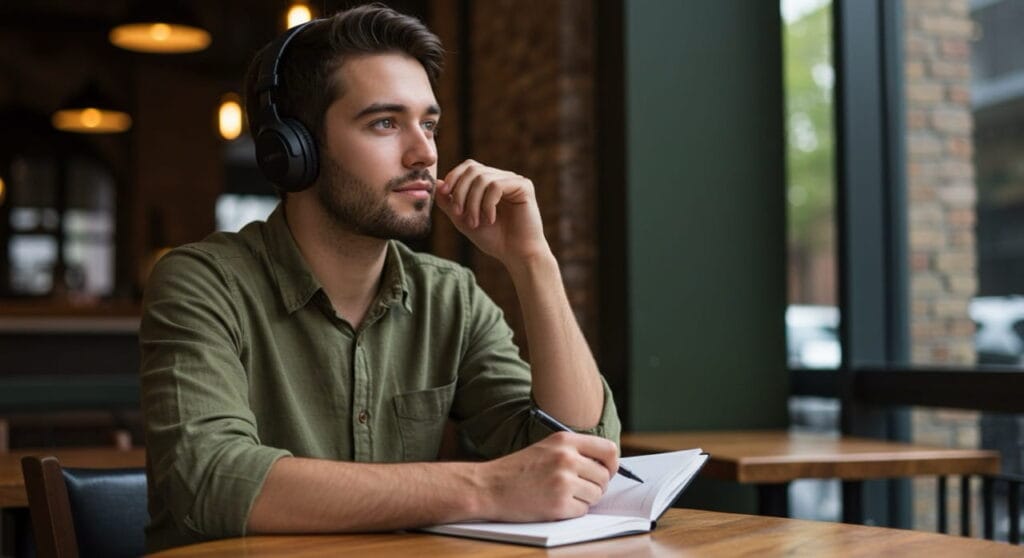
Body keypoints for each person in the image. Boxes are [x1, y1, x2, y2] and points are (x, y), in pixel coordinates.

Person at [140, 4, 621, 552]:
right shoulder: (203, 282)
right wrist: (487, 485)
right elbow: (211, 481)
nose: (425, 153)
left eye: (430, 124)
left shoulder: (451, 296)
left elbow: (582, 455)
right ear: (293, 149)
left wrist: (533, 262)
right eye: (385, 123)